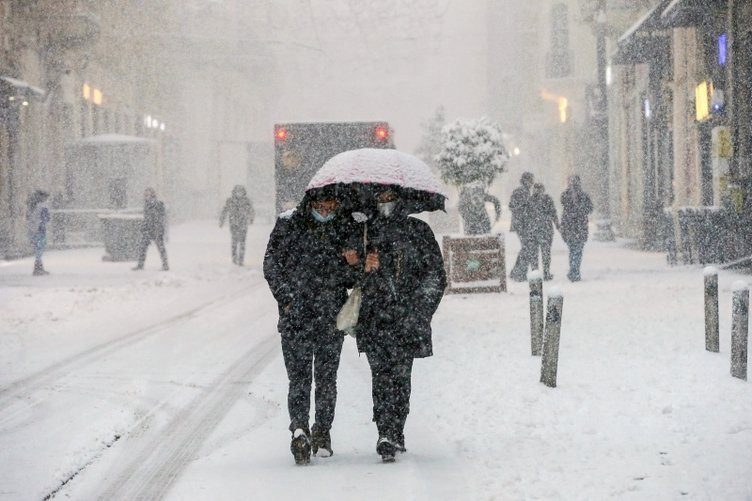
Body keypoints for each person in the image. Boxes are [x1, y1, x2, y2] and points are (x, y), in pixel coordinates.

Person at [348, 186, 446, 462]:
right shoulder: (365, 232)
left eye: (391, 198)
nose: (386, 203)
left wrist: (420, 309)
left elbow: (435, 274)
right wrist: (362, 266)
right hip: (374, 318)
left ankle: (396, 428)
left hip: (407, 319)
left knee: (401, 378)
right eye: (380, 198)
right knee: (381, 376)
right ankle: (385, 432)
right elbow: (348, 274)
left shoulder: (418, 231)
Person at [263, 187, 356, 465]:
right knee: (300, 378)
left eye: (331, 206)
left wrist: (352, 263)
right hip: (296, 317)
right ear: (311, 202)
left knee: (327, 379)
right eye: (321, 206)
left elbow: (350, 279)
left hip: (330, 317)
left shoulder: (344, 226)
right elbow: (271, 263)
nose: (326, 211)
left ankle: (322, 431)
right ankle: (300, 429)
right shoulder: (289, 224)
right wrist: (286, 298)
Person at [560, 175, 593, 282]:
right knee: (576, 250)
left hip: (574, 227)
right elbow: (589, 209)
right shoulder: (569, 195)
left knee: (575, 250)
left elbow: (589, 208)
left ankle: (574, 271)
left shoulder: (571, 195)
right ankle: (574, 271)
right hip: (575, 227)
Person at [527, 183, 559, 280]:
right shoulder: (547, 199)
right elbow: (553, 213)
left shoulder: (530, 200)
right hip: (545, 230)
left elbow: (525, 215)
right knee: (545, 253)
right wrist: (557, 224)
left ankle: (536, 274)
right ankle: (545, 273)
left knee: (535, 254)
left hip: (534, 230)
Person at [132, 188, 169, 271]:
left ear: (152, 195)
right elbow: (147, 218)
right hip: (148, 230)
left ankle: (165, 265)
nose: (146, 196)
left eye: (147, 194)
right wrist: (144, 228)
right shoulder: (147, 205)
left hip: (156, 230)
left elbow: (160, 218)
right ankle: (140, 265)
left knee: (160, 248)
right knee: (143, 248)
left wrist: (158, 228)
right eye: (145, 195)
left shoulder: (158, 204)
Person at [508, 172, 535, 281]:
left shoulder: (525, 191)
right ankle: (519, 273)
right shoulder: (520, 191)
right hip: (521, 224)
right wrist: (523, 209)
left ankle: (517, 271)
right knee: (527, 248)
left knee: (526, 248)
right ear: (525, 180)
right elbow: (512, 206)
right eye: (531, 180)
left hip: (523, 223)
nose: (532, 182)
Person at [219, 185, 255, 266]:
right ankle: (234, 259)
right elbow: (225, 210)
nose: (239, 193)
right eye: (237, 191)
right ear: (234, 192)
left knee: (242, 242)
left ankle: (241, 259)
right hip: (233, 224)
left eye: (241, 192)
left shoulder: (246, 201)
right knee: (234, 241)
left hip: (243, 224)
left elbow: (251, 210)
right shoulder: (230, 201)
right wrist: (222, 220)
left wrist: (251, 218)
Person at [26, 190, 50, 276]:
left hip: (34, 229)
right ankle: (38, 268)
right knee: (40, 248)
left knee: (37, 248)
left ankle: (38, 268)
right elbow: (46, 218)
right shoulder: (43, 206)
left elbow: (29, 217)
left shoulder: (32, 205)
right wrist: (43, 223)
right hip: (40, 229)